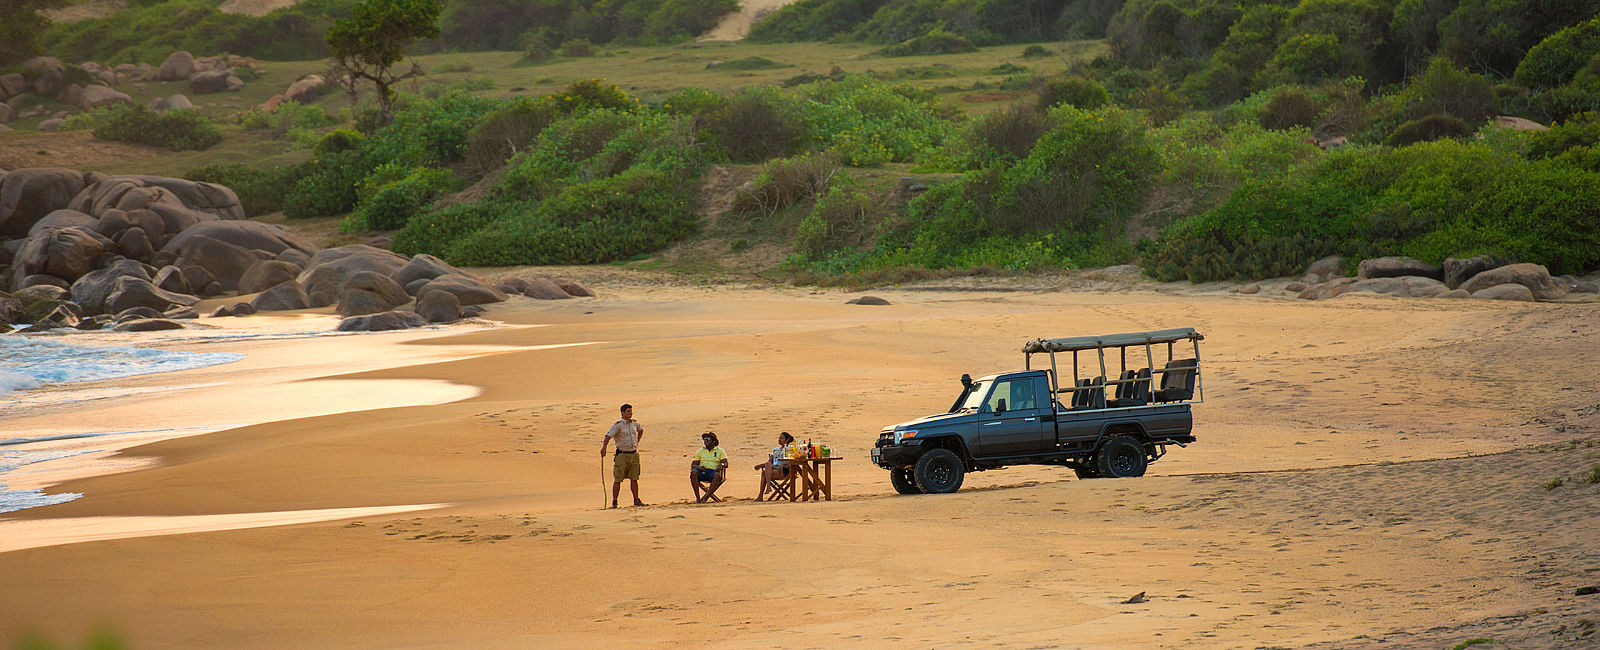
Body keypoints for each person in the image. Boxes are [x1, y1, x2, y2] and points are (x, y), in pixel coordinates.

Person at [600, 403, 645, 508]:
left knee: (634, 478)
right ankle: (615, 502)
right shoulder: (618, 425)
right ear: (622, 413)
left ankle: (636, 500)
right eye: (628, 411)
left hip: (634, 454)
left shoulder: (634, 424)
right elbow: (608, 436)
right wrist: (604, 448)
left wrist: (638, 441)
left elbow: (641, 430)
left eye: (631, 411)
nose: (630, 413)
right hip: (622, 455)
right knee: (618, 479)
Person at [754, 431, 799, 501]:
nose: (779, 439)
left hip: (783, 470)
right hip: (773, 469)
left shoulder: (789, 449)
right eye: (779, 438)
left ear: (786, 440)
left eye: (781, 438)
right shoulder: (776, 450)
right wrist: (760, 466)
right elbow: (769, 462)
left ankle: (761, 495)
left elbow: (793, 460)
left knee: (764, 473)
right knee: (767, 464)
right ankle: (768, 486)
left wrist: (783, 464)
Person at [689, 432, 729, 503]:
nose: (706, 440)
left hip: (713, 473)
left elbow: (726, 463)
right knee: (693, 472)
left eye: (708, 438)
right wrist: (699, 467)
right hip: (702, 471)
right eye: (704, 439)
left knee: (717, 475)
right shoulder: (700, 451)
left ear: (714, 441)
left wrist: (721, 464)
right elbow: (693, 465)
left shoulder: (720, 451)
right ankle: (698, 498)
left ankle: (705, 497)